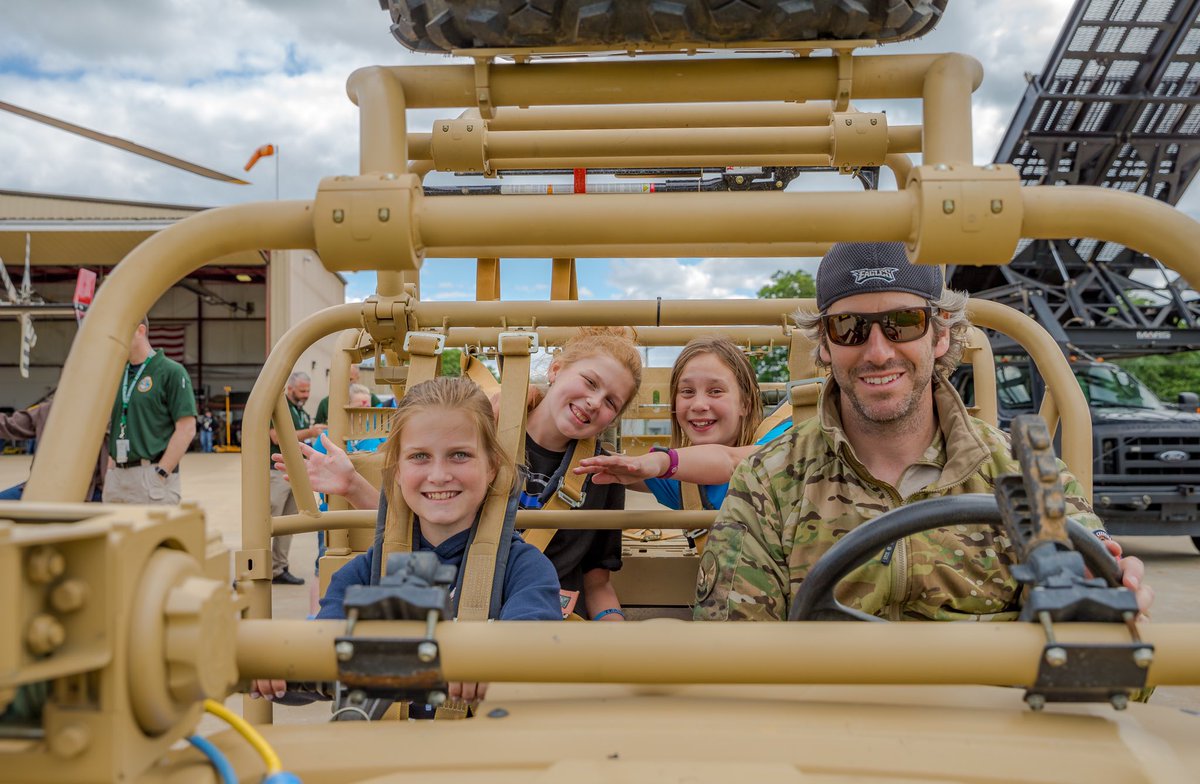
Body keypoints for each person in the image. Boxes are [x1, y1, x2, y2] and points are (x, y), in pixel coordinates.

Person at [693, 242, 1153, 622]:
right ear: (826, 346)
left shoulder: (1022, 475)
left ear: (941, 335)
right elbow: (732, 659)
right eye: (850, 327)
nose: (877, 352)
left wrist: (1111, 600)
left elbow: (1105, 667)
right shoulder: (768, 482)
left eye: (903, 323)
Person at [252, 376, 561, 709]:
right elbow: (321, 655)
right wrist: (282, 667)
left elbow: (534, 648)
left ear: (492, 467)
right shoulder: (362, 574)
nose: (439, 475)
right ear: (396, 470)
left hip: (487, 751)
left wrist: (489, 661)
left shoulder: (526, 571)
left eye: (459, 455)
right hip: (387, 752)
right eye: (419, 457)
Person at [575, 335, 783, 510]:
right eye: (687, 392)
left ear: (745, 404)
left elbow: (735, 462)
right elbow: (613, 467)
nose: (699, 405)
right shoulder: (684, 484)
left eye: (716, 391)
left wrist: (663, 462)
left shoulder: (783, 434)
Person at [103, 318, 197, 505]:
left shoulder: (171, 372)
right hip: (117, 477)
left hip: (151, 474)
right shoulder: (117, 374)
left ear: (140, 330)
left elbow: (186, 428)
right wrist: (111, 468)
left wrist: (161, 472)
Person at [269, 371, 326, 586]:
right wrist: (310, 432)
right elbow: (275, 436)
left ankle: (278, 567)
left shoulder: (298, 410)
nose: (306, 394)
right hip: (276, 471)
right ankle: (256, 566)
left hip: (294, 472)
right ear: (290, 388)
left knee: (289, 523)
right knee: (270, 519)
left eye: (308, 390)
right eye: (302, 390)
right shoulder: (278, 404)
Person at [0, 397, 106, 501]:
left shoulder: (107, 410)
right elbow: (9, 425)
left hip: (93, 491)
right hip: (44, 486)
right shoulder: (46, 411)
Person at [314, 364, 381, 425]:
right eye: (342, 379)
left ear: (357, 378)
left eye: (350, 379)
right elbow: (317, 428)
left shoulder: (371, 399)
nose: (345, 383)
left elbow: (382, 421)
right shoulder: (326, 403)